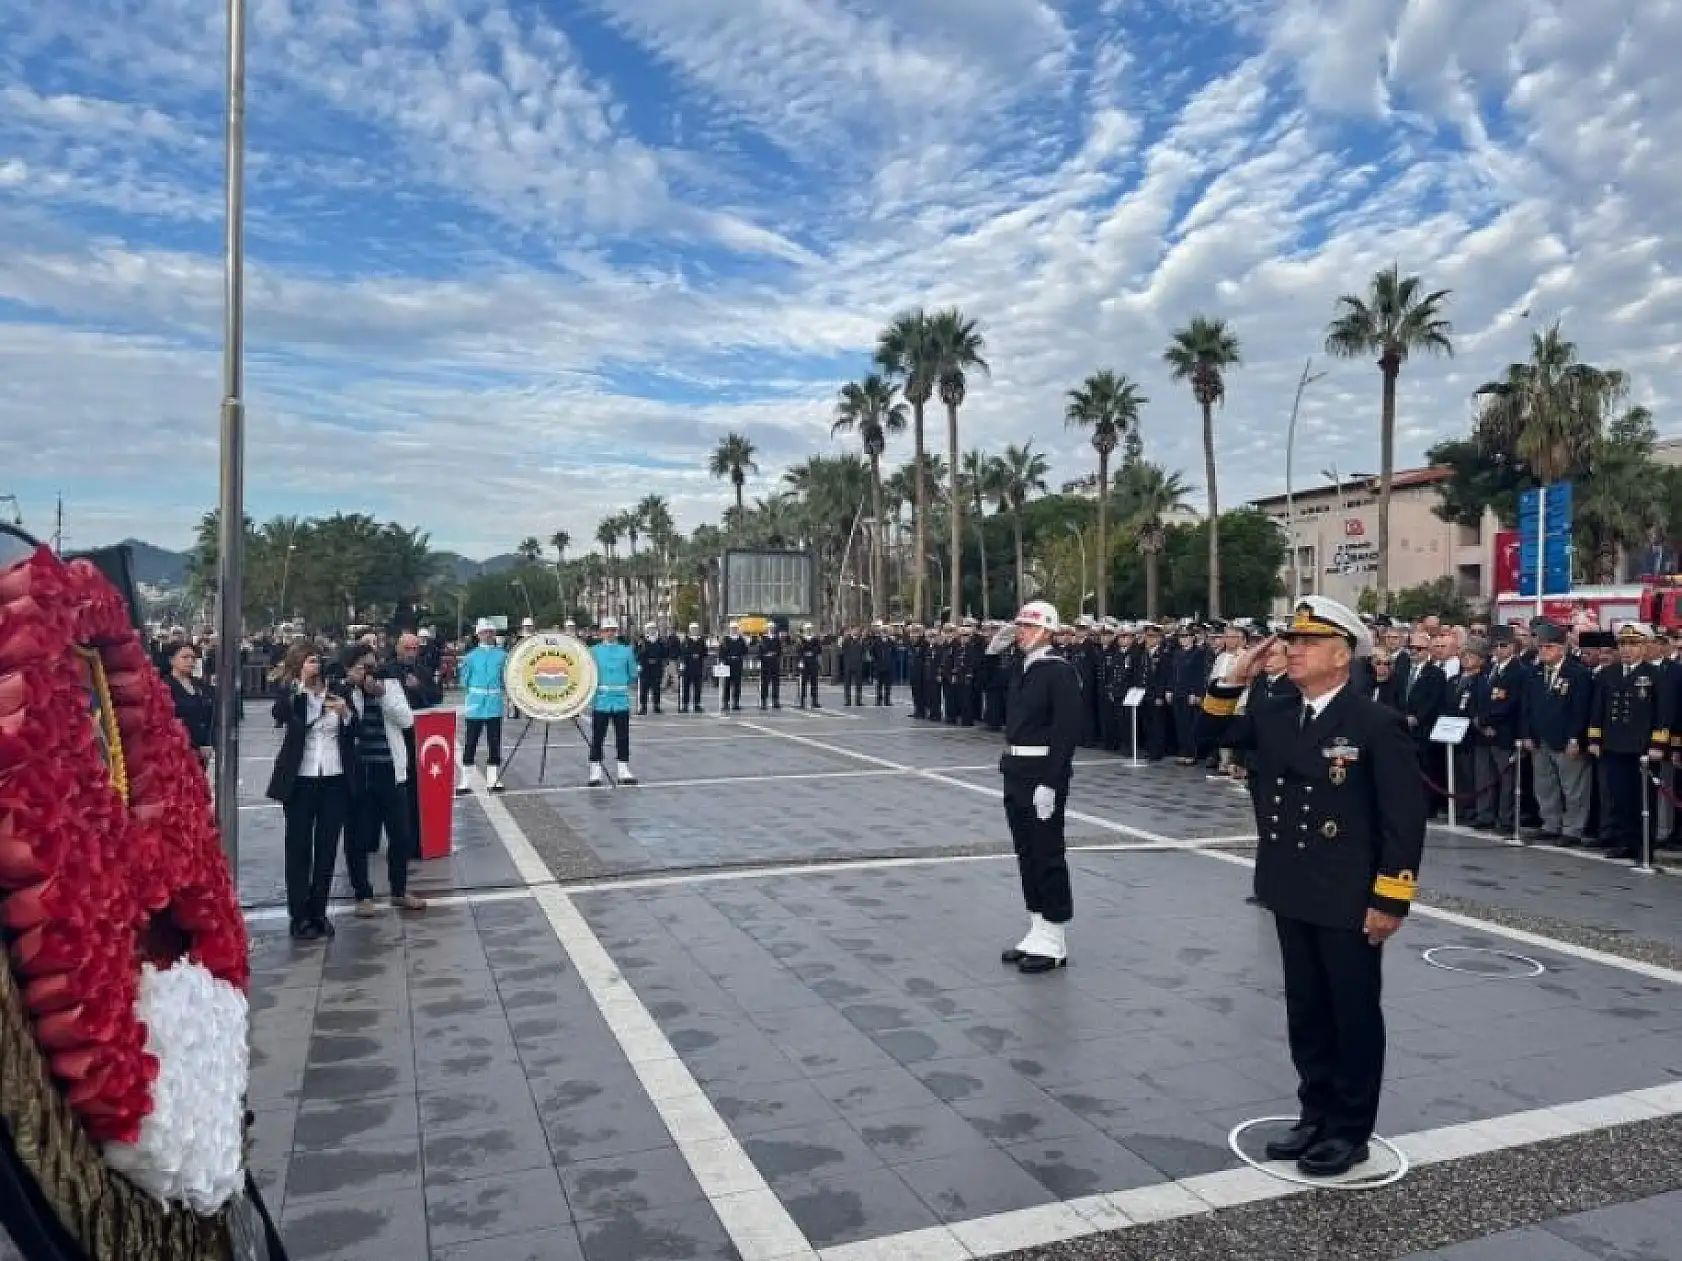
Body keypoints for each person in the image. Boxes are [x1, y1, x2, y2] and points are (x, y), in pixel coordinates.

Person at [1201, 597, 1424, 1178]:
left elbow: (1403, 820)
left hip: (1347, 894)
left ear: (1341, 654)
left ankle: (1349, 1129)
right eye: (1290, 640)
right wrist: (1235, 677)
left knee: (1351, 1011)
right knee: (1306, 1008)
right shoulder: (1277, 711)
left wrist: (1390, 899)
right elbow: (1208, 731)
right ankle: (1315, 1111)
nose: (1291, 650)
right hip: (1290, 884)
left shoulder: (1374, 723)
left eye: (1306, 642)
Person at [996, 601, 1084, 975]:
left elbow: (1066, 732)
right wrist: (992, 651)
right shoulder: (1022, 667)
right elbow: (986, 687)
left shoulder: (1059, 672)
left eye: (1028, 627)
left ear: (1048, 631)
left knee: (1047, 853)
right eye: (1020, 627)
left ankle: (1055, 938)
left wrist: (1051, 782)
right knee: (1026, 852)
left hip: (1042, 772)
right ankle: (1037, 927)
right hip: (1016, 769)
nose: (1021, 633)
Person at [266, 644, 355, 940]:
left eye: (318, 660)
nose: (316, 666)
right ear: (299, 665)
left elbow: (354, 725)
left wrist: (345, 713)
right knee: (298, 847)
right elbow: (279, 714)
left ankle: (319, 911)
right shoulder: (292, 692)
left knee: (327, 848)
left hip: (334, 776)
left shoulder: (338, 690)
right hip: (300, 778)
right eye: (310, 661)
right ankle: (299, 915)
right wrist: (300, 688)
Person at [341, 643, 424, 917]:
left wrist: (382, 694)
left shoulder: (390, 686)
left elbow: (407, 720)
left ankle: (399, 890)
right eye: (362, 666)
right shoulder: (345, 691)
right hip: (360, 773)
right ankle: (362, 894)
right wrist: (352, 689)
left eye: (372, 665)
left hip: (390, 770)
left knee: (400, 835)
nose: (368, 671)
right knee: (358, 837)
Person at [455, 619, 508, 794]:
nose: (487, 635)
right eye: (484, 632)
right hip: (475, 705)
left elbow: (506, 678)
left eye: (490, 632)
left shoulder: (503, 655)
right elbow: (464, 680)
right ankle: (465, 780)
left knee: (494, 742)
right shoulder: (470, 657)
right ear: (478, 635)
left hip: (494, 704)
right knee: (470, 742)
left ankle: (493, 779)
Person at [588, 616, 638, 785]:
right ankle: (595, 771)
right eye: (606, 630)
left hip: (621, 700)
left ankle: (623, 769)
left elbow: (632, 674)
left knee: (623, 737)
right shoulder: (593, 651)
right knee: (598, 736)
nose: (609, 633)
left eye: (612, 630)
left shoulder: (626, 651)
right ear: (601, 632)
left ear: (616, 632)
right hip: (601, 700)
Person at [162, 640, 215, 771]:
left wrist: (208, 744)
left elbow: (210, 715)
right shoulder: (165, 686)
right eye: (185, 657)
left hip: (202, 751)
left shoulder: (199, 685)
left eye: (193, 658)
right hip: (177, 750)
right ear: (171, 660)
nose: (190, 661)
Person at [636, 621, 668, 716]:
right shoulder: (642, 641)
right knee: (643, 689)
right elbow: (638, 654)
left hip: (657, 668)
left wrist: (659, 661)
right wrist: (641, 663)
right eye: (650, 629)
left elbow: (664, 654)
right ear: (646, 630)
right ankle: (643, 707)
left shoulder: (660, 641)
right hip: (645, 668)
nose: (652, 630)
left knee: (656, 688)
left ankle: (656, 706)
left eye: (653, 628)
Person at [679, 623, 708, 713]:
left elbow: (705, 652)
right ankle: (685, 705)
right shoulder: (685, 640)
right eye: (693, 629)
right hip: (687, 667)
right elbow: (682, 652)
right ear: (690, 630)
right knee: (686, 687)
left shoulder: (701, 640)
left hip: (698, 667)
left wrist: (699, 655)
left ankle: (697, 705)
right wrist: (686, 659)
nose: (694, 630)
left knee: (698, 688)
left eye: (696, 629)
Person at [719, 621, 747, 711]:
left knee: (737, 684)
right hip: (728, 663)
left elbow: (745, 651)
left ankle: (736, 702)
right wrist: (722, 661)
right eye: (732, 628)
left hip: (737, 663)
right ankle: (725, 703)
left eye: (735, 628)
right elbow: (721, 651)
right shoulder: (725, 639)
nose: (734, 630)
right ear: (730, 629)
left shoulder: (741, 639)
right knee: (726, 684)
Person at [796, 623, 823, 708]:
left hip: (813, 661)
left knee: (814, 682)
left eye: (810, 629)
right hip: (804, 661)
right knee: (803, 682)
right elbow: (799, 650)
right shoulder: (801, 639)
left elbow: (819, 649)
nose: (808, 630)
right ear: (804, 630)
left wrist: (812, 651)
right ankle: (802, 701)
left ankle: (814, 701)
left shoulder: (815, 639)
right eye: (807, 629)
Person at [757, 626, 784, 709]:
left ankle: (775, 700)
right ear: (767, 629)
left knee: (775, 683)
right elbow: (760, 652)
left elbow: (779, 651)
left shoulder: (777, 639)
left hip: (774, 662)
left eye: (772, 628)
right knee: (765, 683)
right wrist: (763, 658)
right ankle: (763, 701)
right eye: (770, 628)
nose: (771, 629)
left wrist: (774, 654)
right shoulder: (763, 639)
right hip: (765, 663)